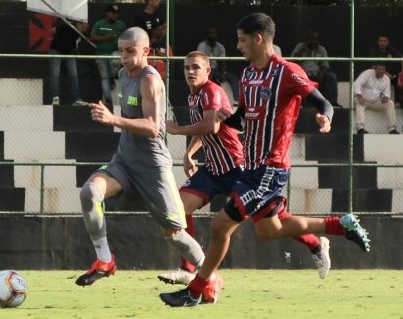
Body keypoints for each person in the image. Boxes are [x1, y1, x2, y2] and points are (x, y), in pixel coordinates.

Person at [159, 13, 371, 307]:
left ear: (258, 38)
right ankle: (339, 226)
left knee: (221, 226)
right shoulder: (247, 75)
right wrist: (227, 118)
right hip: (251, 166)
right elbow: (243, 116)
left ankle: (197, 289)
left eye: (242, 39)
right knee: (269, 229)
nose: (238, 45)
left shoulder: (287, 71)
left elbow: (321, 100)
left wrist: (326, 116)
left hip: (270, 168)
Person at [158, 51, 331, 285]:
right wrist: (190, 153)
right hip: (212, 170)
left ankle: (316, 244)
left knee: (271, 220)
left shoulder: (211, 92)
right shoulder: (194, 96)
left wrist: (176, 130)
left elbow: (210, 125)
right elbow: (205, 127)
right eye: (187, 67)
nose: (190, 71)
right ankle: (188, 269)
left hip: (237, 168)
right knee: (178, 207)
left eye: (196, 67)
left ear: (207, 71)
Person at [75, 27, 206, 293]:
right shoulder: (123, 74)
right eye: (121, 51)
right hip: (124, 160)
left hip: (152, 167)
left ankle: (208, 273)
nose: (123, 56)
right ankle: (104, 260)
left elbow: (153, 127)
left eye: (130, 51)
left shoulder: (150, 80)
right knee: (89, 192)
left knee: (176, 234)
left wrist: (113, 119)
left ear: (145, 51)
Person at [90, 4, 127, 110]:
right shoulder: (99, 24)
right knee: (104, 76)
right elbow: (93, 37)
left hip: (115, 52)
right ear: (107, 13)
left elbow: (127, 37)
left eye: (117, 14)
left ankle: (112, 78)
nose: (115, 15)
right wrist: (106, 38)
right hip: (101, 53)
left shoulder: (121, 25)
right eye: (113, 13)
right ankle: (108, 99)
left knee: (115, 62)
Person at [291, 30, 342, 107]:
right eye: (311, 39)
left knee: (331, 76)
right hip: (302, 74)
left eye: (315, 39)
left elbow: (325, 65)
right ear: (307, 39)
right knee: (293, 76)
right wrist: (304, 49)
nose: (313, 41)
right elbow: (293, 61)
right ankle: (294, 102)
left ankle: (332, 102)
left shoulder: (321, 49)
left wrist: (320, 75)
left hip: (317, 74)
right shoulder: (300, 47)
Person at [48, 19, 89, 106]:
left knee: (73, 75)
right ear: (78, 23)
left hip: (69, 52)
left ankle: (77, 99)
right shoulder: (66, 26)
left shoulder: (79, 32)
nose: (83, 30)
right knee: (55, 74)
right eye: (83, 27)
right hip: (56, 50)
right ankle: (55, 97)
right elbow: (52, 31)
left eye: (85, 29)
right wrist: (55, 38)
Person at [354, 62, 400, 134]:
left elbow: (387, 93)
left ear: (385, 71)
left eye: (383, 69)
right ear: (375, 69)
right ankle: (360, 128)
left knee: (390, 103)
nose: (381, 71)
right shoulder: (367, 73)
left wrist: (385, 98)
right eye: (379, 69)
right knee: (359, 104)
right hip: (363, 100)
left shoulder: (386, 79)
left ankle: (392, 128)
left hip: (376, 102)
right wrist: (359, 96)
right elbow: (357, 84)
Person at [197, 26, 240, 101]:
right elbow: (200, 63)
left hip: (216, 70)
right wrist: (207, 73)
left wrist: (224, 73)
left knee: (234, 78)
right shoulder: (202, 46)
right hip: (205, 70)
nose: (212, 35)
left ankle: (237, 101)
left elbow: (223, 62)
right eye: (210, 33)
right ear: (207, 35)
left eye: (214, 33)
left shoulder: (220, 47)